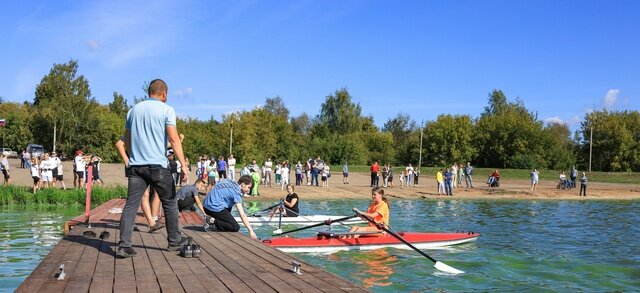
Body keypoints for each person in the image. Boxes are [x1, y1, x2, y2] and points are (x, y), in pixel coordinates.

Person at [117, 79, 190, 258]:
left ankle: (124, 245)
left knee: (131, 205)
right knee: (170, 201)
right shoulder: (167, 110)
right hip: (157, 165)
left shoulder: (132, 110)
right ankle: (174, 241)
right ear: (164, 93)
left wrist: (134, 157)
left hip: (136, 166)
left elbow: (126, 139)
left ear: (149, 92)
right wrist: (184, 165)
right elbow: (173, 140)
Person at [115, 135, 163, 232]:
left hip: (140, 167)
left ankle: (151, 223)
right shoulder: (131, 132)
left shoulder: (142, 133)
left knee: (144, 195)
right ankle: (129, 224)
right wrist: (126, 160)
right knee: (135, 197)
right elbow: (119, 144)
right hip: (134, 167)